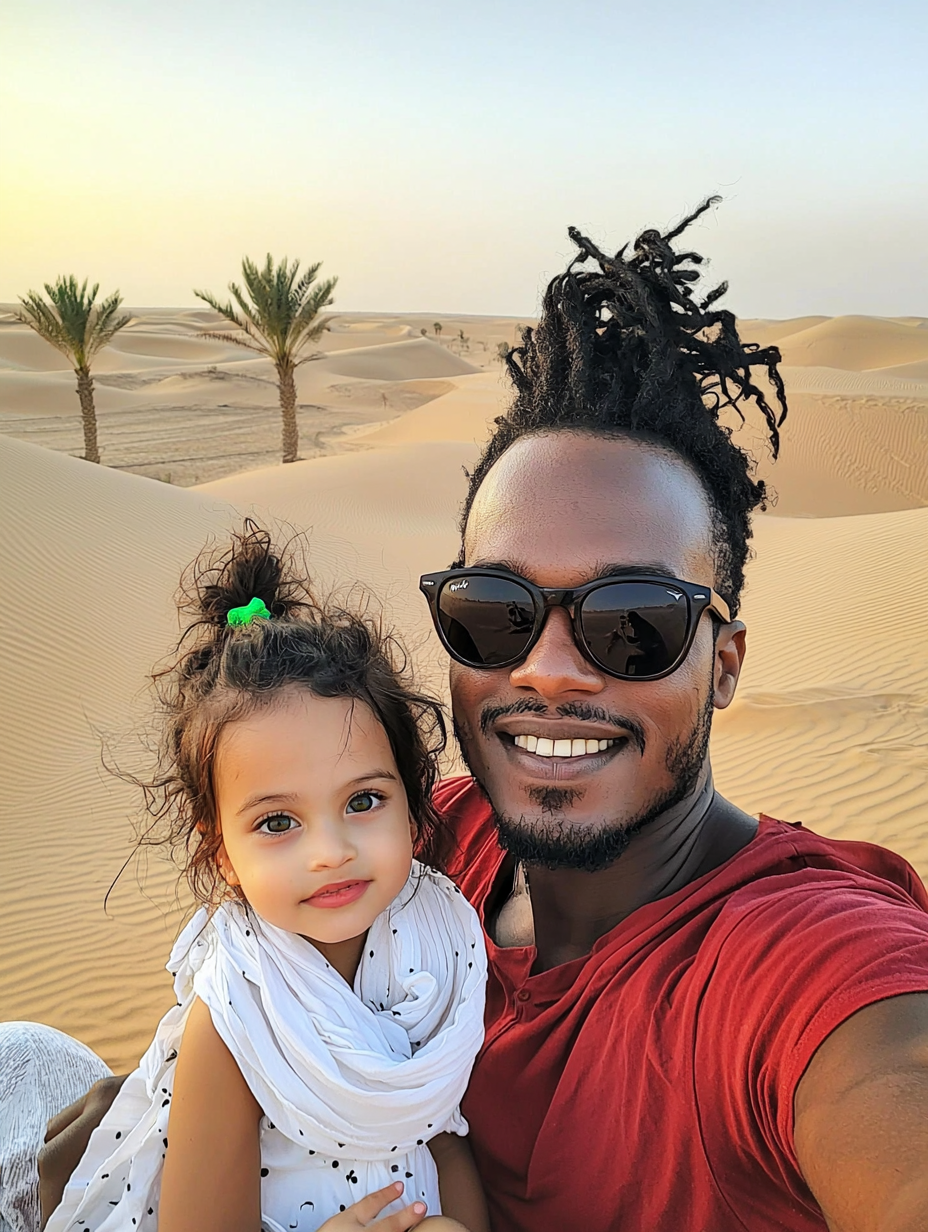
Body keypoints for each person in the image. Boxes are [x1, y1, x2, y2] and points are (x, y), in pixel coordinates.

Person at [30, 201, 928, 1231]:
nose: (547, 669)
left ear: (722, 663)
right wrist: (147, 1122)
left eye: (629, 622)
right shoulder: (421, 845)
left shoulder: (800, 962)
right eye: (495, 612)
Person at [33, 525, 489, 1232]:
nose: (330, 852)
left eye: (364, 801)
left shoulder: (440, 937)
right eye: (279, 823)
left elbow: (441, 1128)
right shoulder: (236, 1015)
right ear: (221, 854)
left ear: (412, 801)